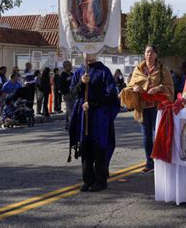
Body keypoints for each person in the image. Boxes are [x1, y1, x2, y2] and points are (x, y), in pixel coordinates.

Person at [69, 54, 120, 192]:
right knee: (85, 147)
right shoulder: (79, 71)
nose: (88, 55)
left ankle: (100, 181)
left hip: (99, 116)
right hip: (83, 116)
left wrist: (92, 102)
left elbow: (111, 95)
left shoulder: (104, 71)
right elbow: (72, 93)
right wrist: (81, 83)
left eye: (91, 52)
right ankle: (88, 180)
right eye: (86, 52)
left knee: (98, 147)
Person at [126, 45, 174, 173]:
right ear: (144, 54)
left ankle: (161, 160)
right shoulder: (138, 69)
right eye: (147, 52)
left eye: (152, 52)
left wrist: (158, 88)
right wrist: (134, 88)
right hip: (143, 107)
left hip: (157, 107)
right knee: (146, 137)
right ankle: (149, 162)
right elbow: (130, 86)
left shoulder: (163, 69)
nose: (149, 54)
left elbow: (169, 87)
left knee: (158, 134)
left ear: (156, 55)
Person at [59, 61, 74, 130]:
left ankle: (67, 125)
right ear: (65, 67)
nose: (70, 67)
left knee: (68, 111)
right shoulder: (63, 75)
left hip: (73, 94)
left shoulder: (72, 74)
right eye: (68, 65)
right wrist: (65, 94)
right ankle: (72, 126)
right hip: (67, 95)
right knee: (71, 111)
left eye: (70, 65)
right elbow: (61, 86)